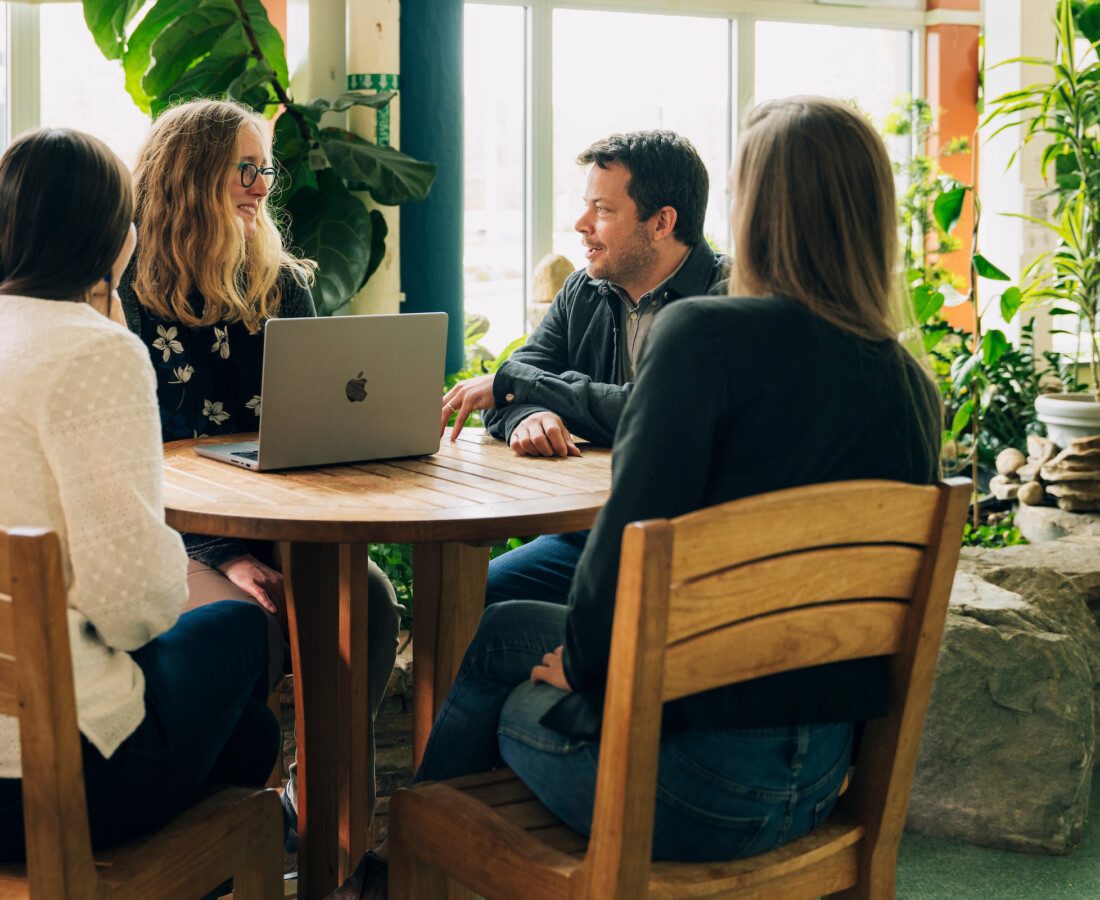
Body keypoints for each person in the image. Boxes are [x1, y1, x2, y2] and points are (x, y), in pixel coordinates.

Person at [328, 95, 943, 899]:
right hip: (821, 780)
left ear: (758, 210)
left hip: (687, 784)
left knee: (503, 662)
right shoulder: (911, 388)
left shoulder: (705, 336)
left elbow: (625, 547)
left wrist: (584, 670)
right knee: (507, 623)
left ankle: (403, 867)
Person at [116, 98, 403, 845]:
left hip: (272, 513)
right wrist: (224, 554)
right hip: (172, 533)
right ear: (190, 176)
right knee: (255, 621)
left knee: (369, 602)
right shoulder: (125, 294)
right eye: (245, 169)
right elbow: (132, 464)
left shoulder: (280, 284)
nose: (261, 186)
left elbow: (316, 422)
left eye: (265, 170)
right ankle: (234, 831)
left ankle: (325, 811)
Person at [0, 127, 279, 860]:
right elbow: (135, 608)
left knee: (249, 736)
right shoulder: (94, 351)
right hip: (53, 775)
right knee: (244, 628)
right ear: (114, 238)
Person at [442, 130, 730, 608]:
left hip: (693, 543)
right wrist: (529, 414)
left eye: (602, 210)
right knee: (474, 596)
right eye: (585, 206)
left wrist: (525, 386)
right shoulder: (583, 291)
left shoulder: (728, 299)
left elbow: (655, 413)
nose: (580, 224)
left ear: (662, 222)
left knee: (501, 623)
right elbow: (508, 389)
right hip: (594, 534)